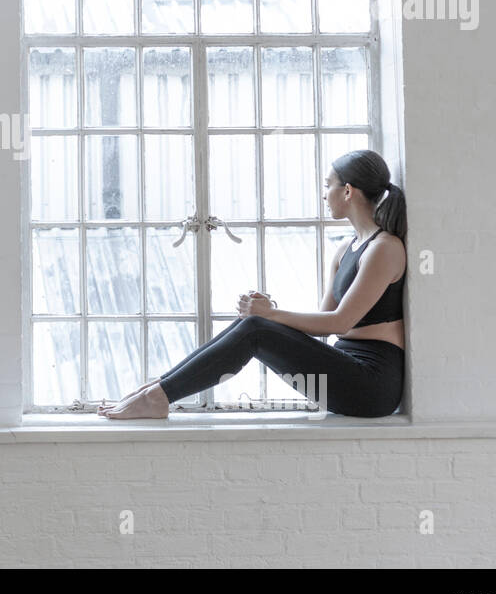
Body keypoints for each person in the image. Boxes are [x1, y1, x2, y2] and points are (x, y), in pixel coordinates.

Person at [99, 149, 407, 420]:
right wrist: (268, 312)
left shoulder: (385, 247)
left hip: (372, 385)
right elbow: (321, 324)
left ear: (348, 191)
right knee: (253, 323)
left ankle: (157, 397)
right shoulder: (346, 250)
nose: (324, 194)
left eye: (328, 186)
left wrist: (270, 316)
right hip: (345, 372)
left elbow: (341, 322)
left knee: (257, 327)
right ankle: (155, 389)